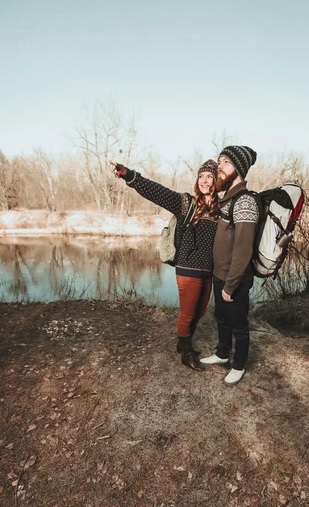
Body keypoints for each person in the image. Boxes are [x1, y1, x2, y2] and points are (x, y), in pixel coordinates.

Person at [110, 159, 219, 371]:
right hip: (188, 267)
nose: (205, 181)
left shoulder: (220, 209)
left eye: (209, 177)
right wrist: (129, 175)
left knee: (201, 310)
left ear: (216, 181)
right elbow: (156, 191)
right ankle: (186, 353)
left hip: (208, 269)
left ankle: (182, 342)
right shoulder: (186, 203)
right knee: (188, 312)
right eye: (201, 176)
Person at [200, 146, 259, 386]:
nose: (219, 167)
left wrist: (231, 285)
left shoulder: (245, 201)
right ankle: (222, 353)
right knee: (221, 318)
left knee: (239, 325)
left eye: (225, 162)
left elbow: (243, 249)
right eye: (219, 161)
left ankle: (239, 364)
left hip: (235, 280)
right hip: (220, 275)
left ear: (239, 167)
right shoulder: (227, 199)